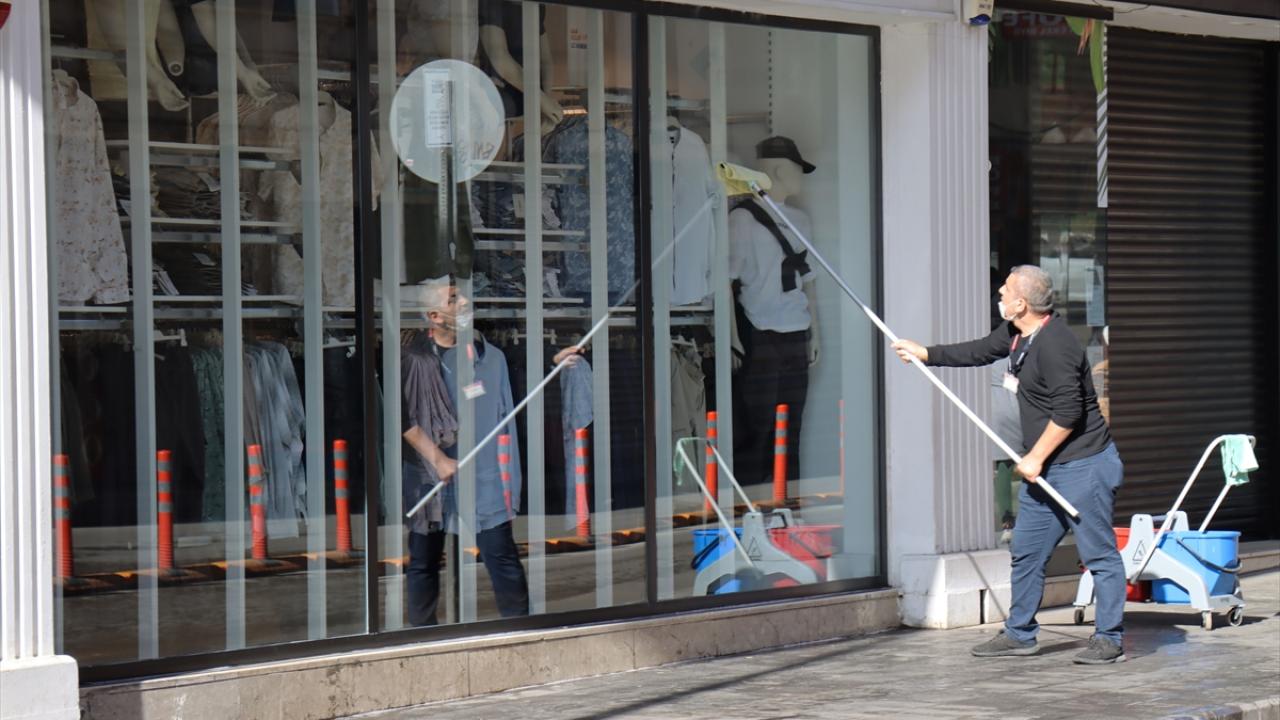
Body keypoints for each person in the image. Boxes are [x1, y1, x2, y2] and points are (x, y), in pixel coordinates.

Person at [892, 265, 1126, 665]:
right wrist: (926, 354)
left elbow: (1069, 412)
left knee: (1098, 554)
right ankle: (1020, 633)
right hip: (1047, 470)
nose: (998, 294)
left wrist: (1034, 457)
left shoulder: (1056, 345)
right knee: (1026, 551)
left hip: (1082, 465)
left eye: (1005, 290)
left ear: (1021, 304)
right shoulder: (1018, 334)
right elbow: (981, 350)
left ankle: (1109, 638)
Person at [401, 277, 530, 623]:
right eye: (453, 299)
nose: (465, 303)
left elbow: (505, 420)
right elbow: (402, 419)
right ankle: (422, 638)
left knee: (501, 556)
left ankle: (521, 631)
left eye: (463, 297)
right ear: (434, 316)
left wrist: (509, 482)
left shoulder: (491, 358)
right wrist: (439, 459)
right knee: (424, 560)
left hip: (482, 477)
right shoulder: (414, 360)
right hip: (429, 478)